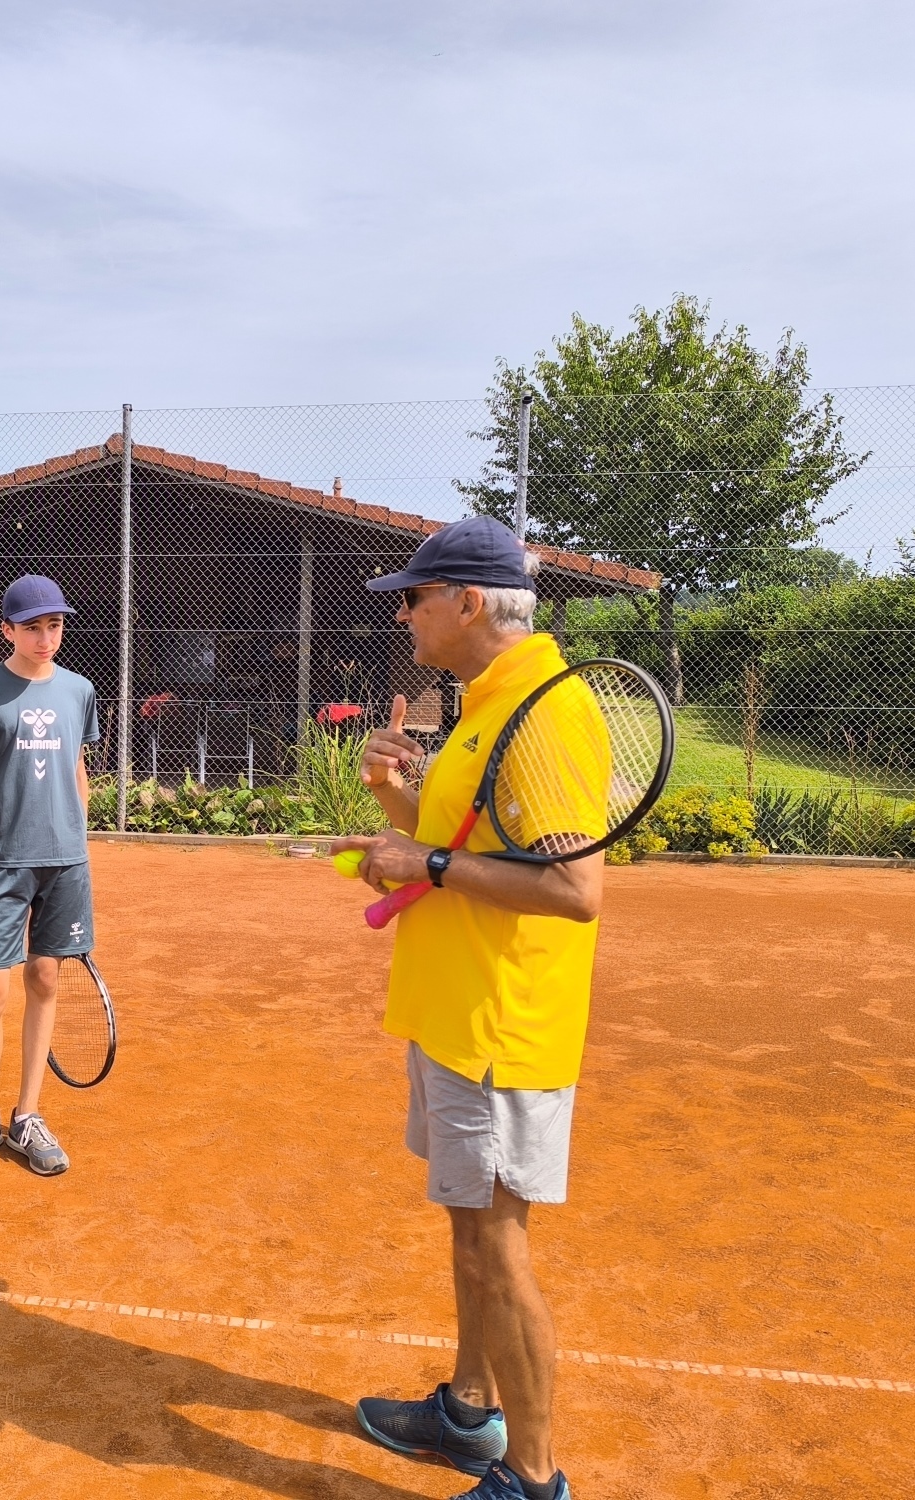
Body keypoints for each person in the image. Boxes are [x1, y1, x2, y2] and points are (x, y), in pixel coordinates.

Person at [336, 518, 602, 1500]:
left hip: (499, 1027)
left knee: (499, 1248)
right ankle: (468, 1412)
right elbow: (467, 848)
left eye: (411, 597)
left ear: (468, 603)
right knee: (468, 1229)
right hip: (455, 1019)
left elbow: (574, 889)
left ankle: (530, 1481)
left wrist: (427, 860)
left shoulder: (540, 711)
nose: (400, 612)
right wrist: (401, 801)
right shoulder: (487, 704)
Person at [0, 575, 100, 1177]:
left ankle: (25, 1116)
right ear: (6, 630)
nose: (44, 636)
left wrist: (77, 840)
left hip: (65, 864)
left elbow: (78, 771)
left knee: (46, 980)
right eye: (32, 626)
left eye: (54, 625)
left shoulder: (80, 690)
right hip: (1, 865)